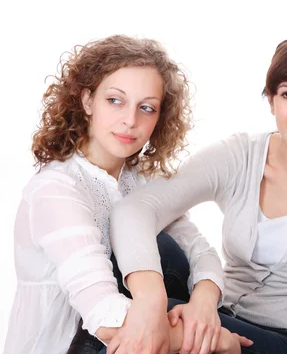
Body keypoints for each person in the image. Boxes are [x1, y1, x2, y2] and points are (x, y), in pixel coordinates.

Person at [109, 32, 287, 353]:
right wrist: (171, 300)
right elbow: (135, 209)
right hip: (224, 310)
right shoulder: (241, 156)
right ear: (271, 100)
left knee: (158, 321)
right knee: (149, 263)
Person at [5, 35, 247, 354]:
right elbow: (105, 316)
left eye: (146, 107)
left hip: (140, 333)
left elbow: (200, 253)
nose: (130, 121)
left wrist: (202, 304)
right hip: (77, 345)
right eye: (115, 100)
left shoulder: (141, 180)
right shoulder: (57, 190)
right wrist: (219, 341)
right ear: (88, 100)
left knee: (276, 342)